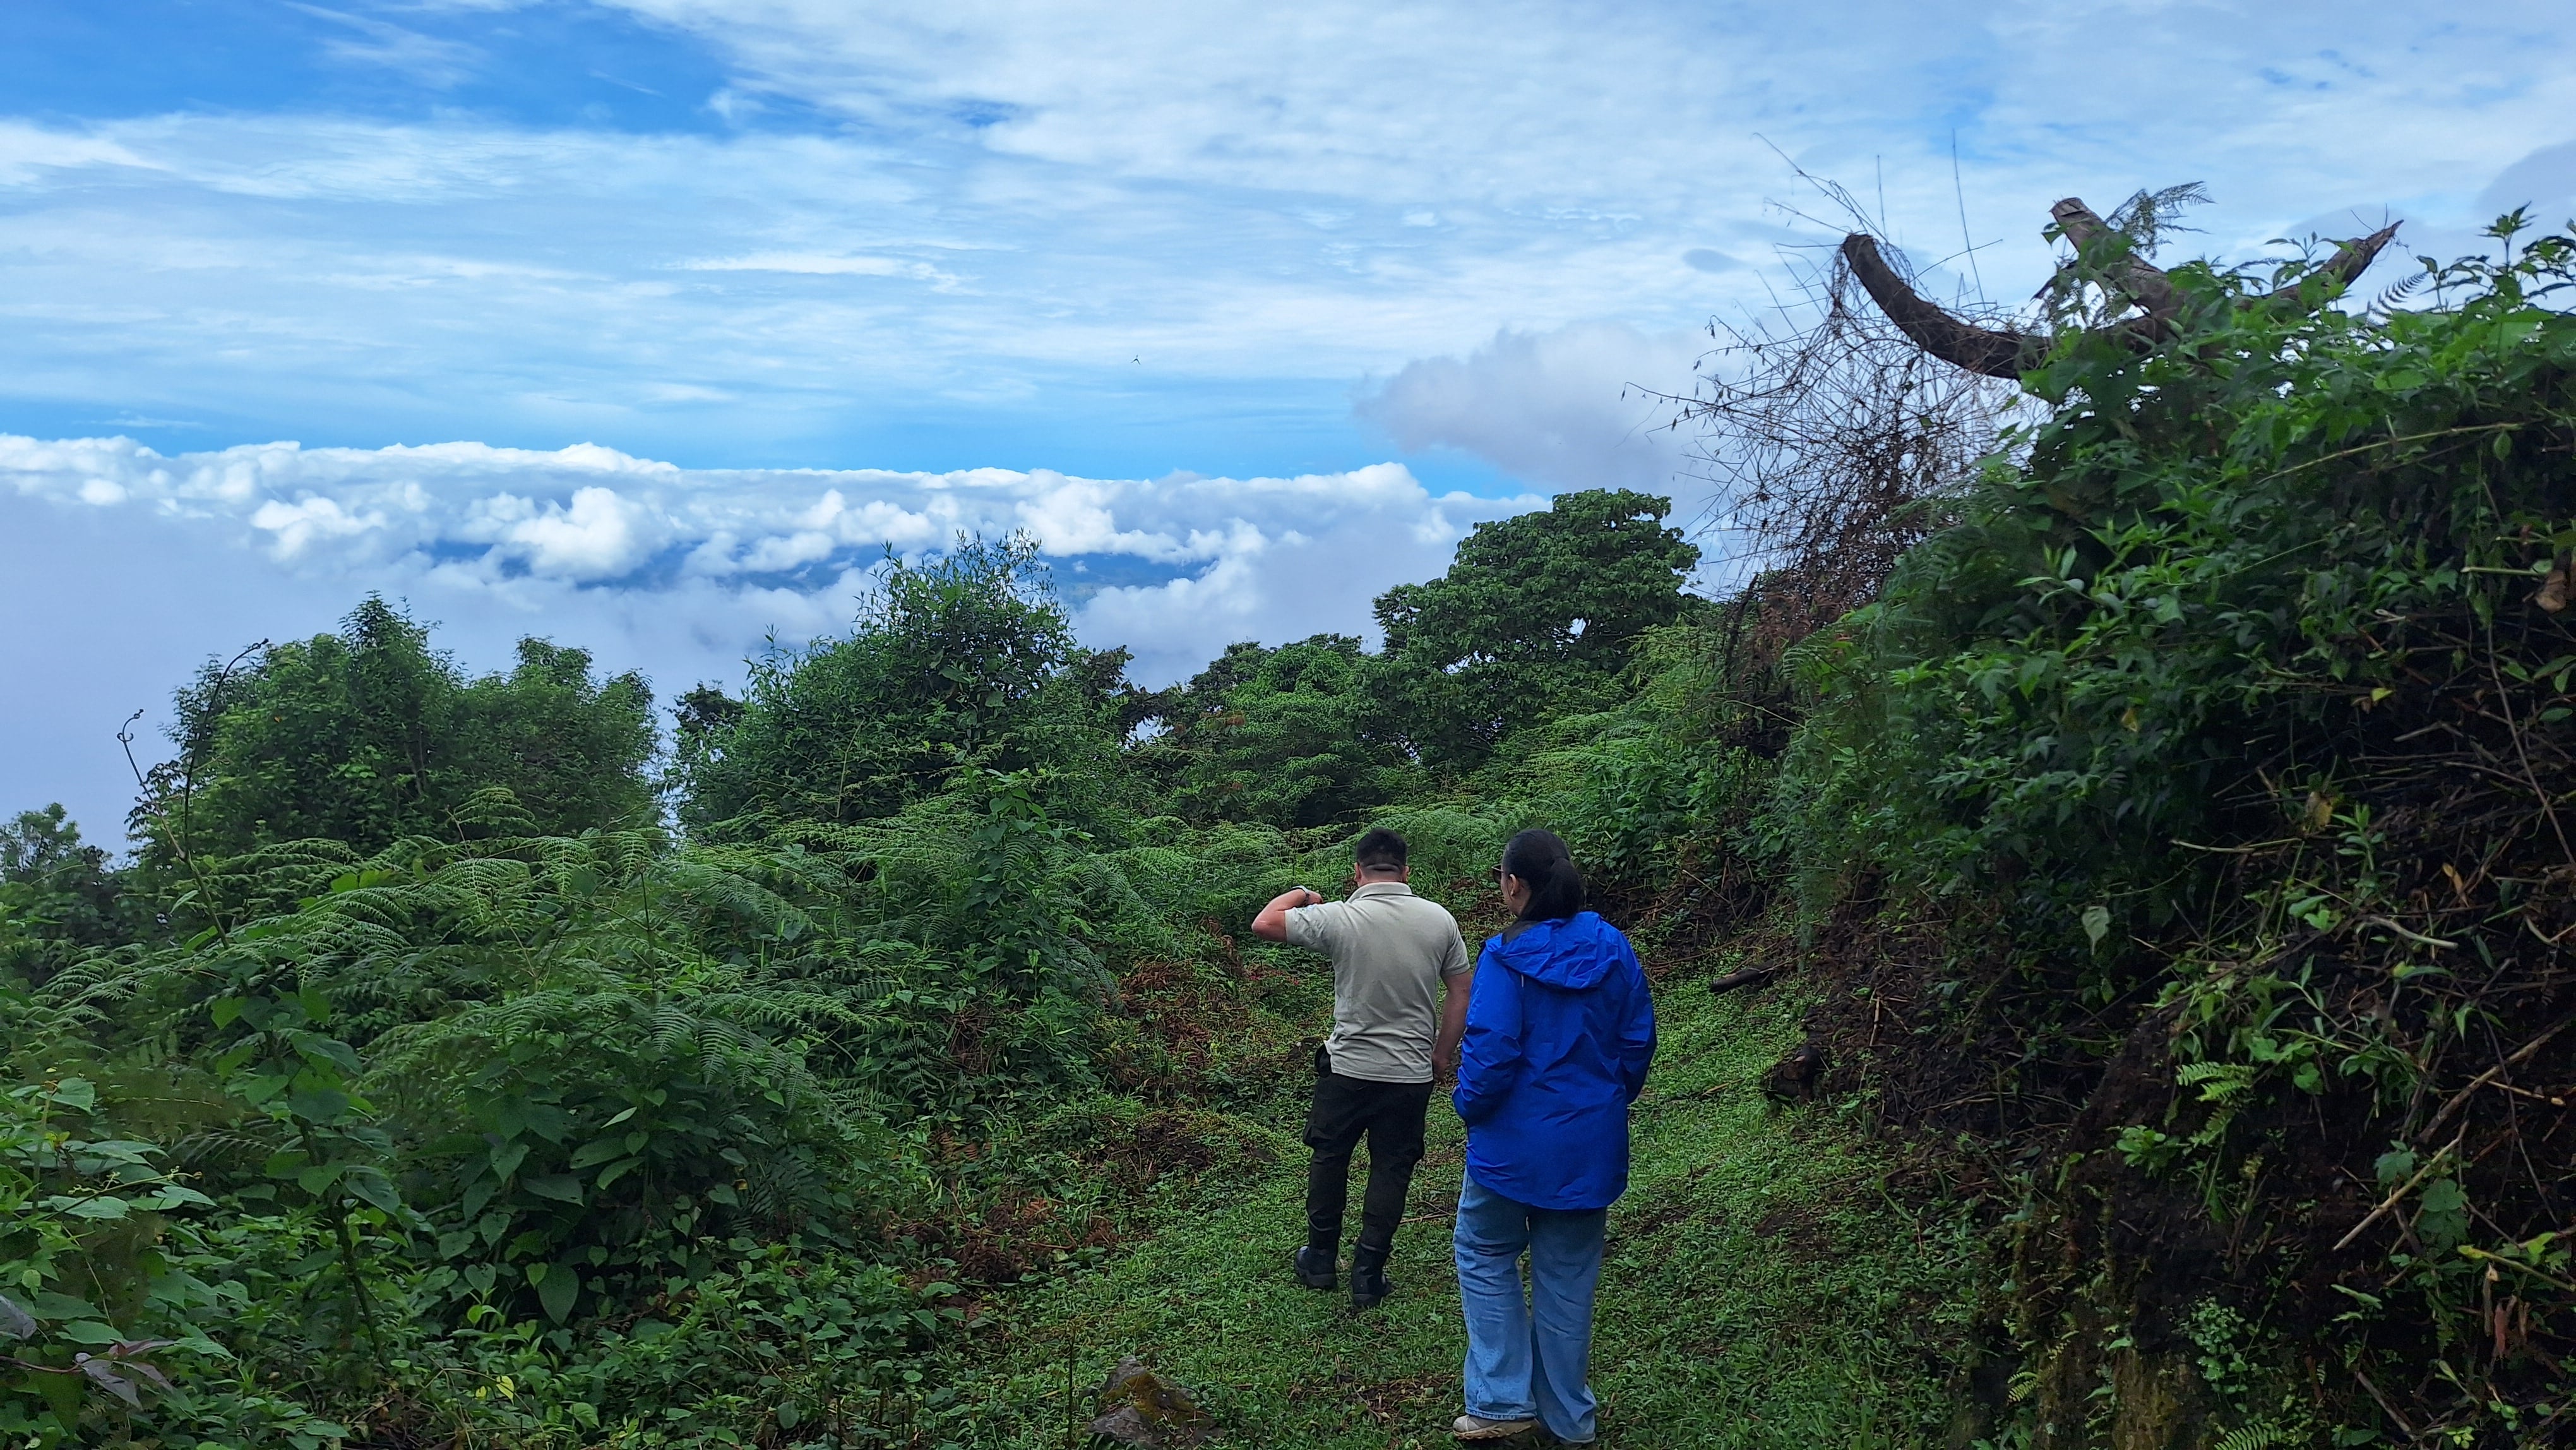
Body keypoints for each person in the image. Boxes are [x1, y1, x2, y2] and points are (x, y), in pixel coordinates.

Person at [1448, 829, 1655, 1445]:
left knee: (1485, 1252)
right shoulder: (1614, 947)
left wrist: (1467, 1105)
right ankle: (1569, 1422)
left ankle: (1500, 1402)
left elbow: (1491, 1053)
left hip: (1509, 1148)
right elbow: (1637, 1043)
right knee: (1567, 1282)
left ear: (1514, 884)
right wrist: (1601, 1103)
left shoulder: (1504, 956)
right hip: (1589, 1147)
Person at [1251, 826, 1473, 1309]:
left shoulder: (1340, 917)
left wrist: (1303, 893)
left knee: (1330, 1159)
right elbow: (1461, 990)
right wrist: (1442, 1054)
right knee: (1392, 1168)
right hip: (1409, 1074)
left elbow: (1264, 922)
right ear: (1406, 871)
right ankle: (1369, 1275)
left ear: (1357, 872)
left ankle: (1320, 1259)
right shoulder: (1439, 920)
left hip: (1348, 1069)